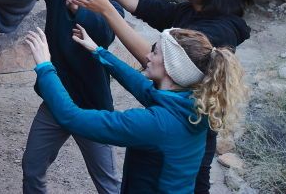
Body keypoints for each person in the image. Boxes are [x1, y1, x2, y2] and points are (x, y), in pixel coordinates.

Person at [63, 0, 253, 193]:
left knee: (194, 184)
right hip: (172, 112)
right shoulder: (189, 11)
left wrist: (108, 11)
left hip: (190, 121)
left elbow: (156, 60)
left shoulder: (219, 30)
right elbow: (137, 4)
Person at [24, 23, 246, 194]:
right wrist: (99, 52)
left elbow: (72, 118)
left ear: (172, 68)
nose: (148, 56)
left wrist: (45, 67)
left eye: (155, 52)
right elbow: (142, 87)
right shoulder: (193, 105)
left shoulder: (156, 124)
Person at [22, 0, 127, 194]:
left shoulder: (112, 8)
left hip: (92, 110)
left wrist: (78, 10)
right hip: (56, 102)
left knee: (108, 183)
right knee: (32, 167)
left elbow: (104, 34)